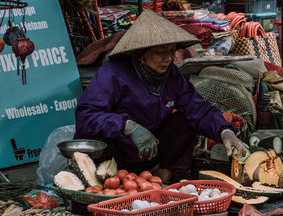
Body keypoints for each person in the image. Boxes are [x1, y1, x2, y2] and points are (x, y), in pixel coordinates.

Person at [74, 10, 246, 183]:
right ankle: (114, 183)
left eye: (171, 51)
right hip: (116, 153)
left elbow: (198, 109)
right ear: (142, 53)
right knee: (99, 140)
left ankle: (165, 181)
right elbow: (86, 115)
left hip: (149, 151)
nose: (168, 58)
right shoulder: (114, 73)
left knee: (183, 123)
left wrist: (224, 131)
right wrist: (128, 127)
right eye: (160, 52)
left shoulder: (172, 75)